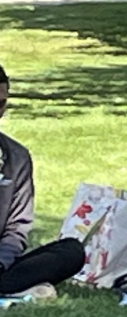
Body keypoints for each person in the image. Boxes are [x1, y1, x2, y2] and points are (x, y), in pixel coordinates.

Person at [0, 65, 85, 297]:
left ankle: (8, 284)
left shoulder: (16, 157)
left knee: (71, 251)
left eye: (1, 104)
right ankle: (12, 288)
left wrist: (2, 261)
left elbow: (17, 228)